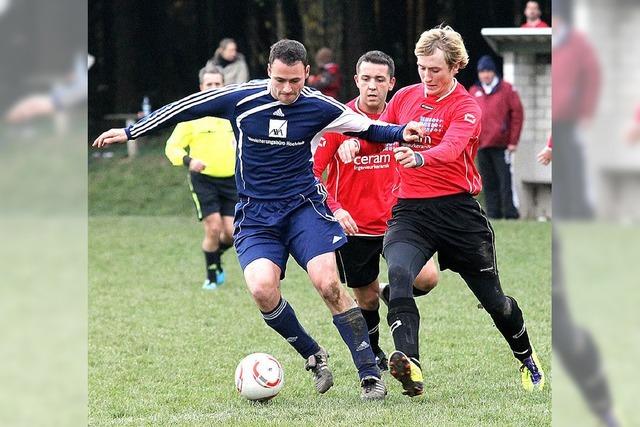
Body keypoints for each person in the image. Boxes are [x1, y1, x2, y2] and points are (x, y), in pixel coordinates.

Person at [93, 39, 426, 401]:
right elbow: (183, 108)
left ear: (306, 75)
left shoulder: (318, 105)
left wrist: (400, 131)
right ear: (268, 71)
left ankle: (368, 374)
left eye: (295, 81)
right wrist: (130, 131)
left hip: (303, 209)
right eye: (280, 80)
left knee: (329, 285)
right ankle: (313, 354)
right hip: (256, 215)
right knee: (262, 290)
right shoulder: (241, 98)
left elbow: (366, 128)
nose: (286, 89)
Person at [338, 25, 545, 398]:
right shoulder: (403, 98)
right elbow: (380, 133)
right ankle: (410, 365)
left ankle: (526, 355)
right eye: (421, 68)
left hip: (459, 214)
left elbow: (450, 149)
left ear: (455, 67)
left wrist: (419, 155)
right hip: (411, 212)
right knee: (399, 275)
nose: (427, 77)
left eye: (435, 69)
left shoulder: (466, 107)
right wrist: (354, 146)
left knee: (495, 303)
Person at [313, 50, 440, 372]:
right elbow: (313, 174)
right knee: (366, 300)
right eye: (366, 79)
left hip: (399, 223)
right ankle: (376, 355)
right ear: (356, 81)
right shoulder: (339, 123)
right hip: (354, 227)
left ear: (391, 83)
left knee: (427, 279)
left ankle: (390, 291)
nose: (372, 86)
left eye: (379, 80)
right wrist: (337, 209)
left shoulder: (400, 119)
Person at [164, 66, 237, 290]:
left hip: (233, 181)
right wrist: (189, 161)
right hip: (204, 179)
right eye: (209, 84)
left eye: (217, 84)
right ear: (201, 87)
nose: (213, 88)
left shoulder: (233, 113)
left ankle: (214, 255)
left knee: (233, 234)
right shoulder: (192, 115)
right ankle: (212, 276)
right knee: (213, 228)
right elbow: (172, 147)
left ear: (224, 86)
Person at [469, 55, 524, 219]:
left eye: (488, 71)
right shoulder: (474, 91)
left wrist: (513, 141)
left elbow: (517, 114)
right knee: (488, 182)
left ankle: (510, 213)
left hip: (502, 145)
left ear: (494, 72)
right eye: (482, 72)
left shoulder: (507, 89)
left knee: (505, 181)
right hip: (482, 144)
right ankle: (493, 214)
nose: (485, 75)